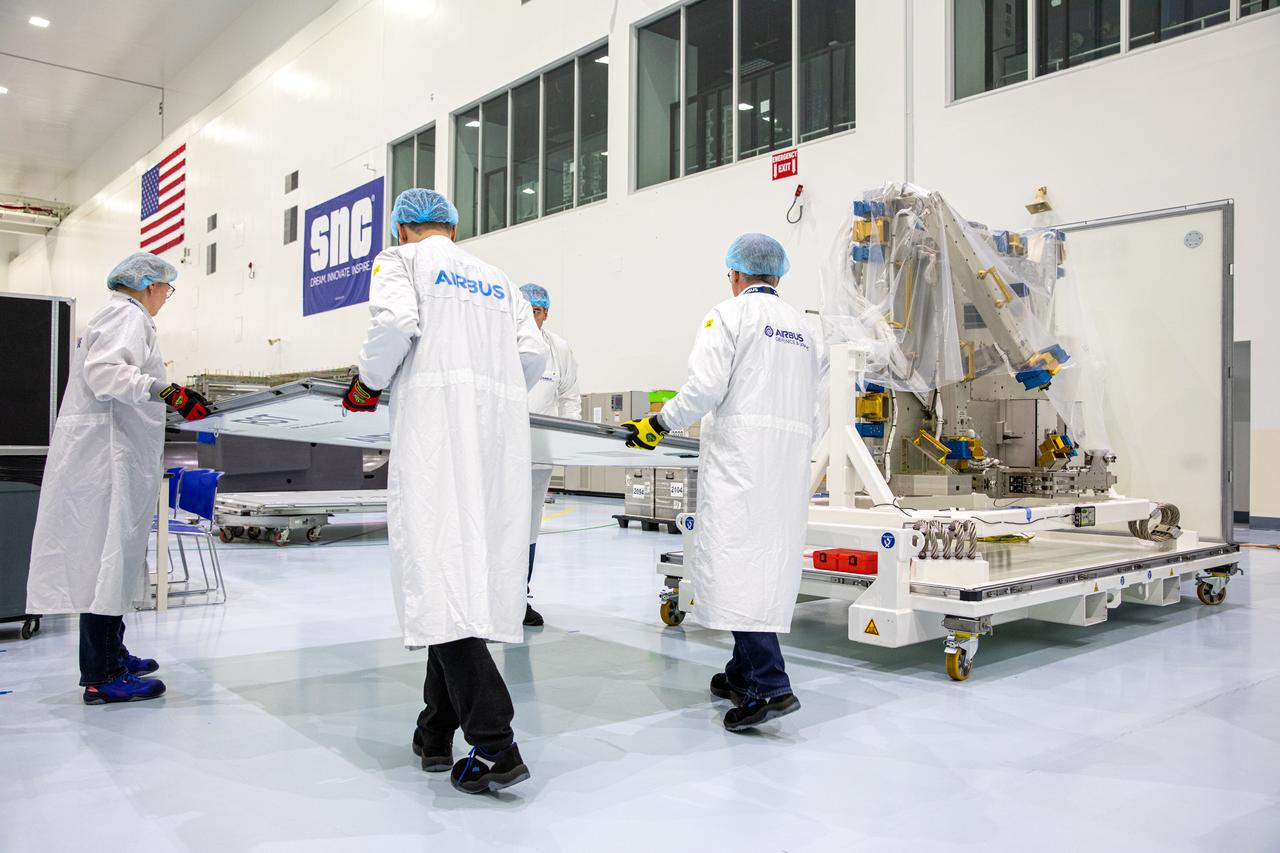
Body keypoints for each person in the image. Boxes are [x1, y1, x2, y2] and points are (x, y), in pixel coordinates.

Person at [342, 188, 548, 794]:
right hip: (497, 438)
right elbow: (531, 355)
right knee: (460, 576)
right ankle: (434, 732)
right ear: (452, 227)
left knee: (437, 575)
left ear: (404, 228)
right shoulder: (496, 277)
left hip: (436, 432)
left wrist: (367, 384)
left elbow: (396, 325)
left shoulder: (400, 262)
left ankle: (496, 745)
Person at [622, 233, 825, 733]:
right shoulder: (805, 328)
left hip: (742, 462)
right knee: (765, 565)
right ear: (777, 275)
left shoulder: (728, 315)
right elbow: (816, 408)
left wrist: (658, 425)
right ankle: (740, 671)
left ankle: (769, 686)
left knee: (738, 565)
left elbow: (705, 387)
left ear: (735, 274)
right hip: (787, 464)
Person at [26, 252, 211, 705]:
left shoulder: (125, 318)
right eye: (167, 289)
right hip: (107, 460)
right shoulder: (125, 315)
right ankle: (102, 675)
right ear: (148, 285)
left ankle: (113, 652)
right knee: (106, 560)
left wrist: (164, 396)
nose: (166, 297)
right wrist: (166, 391)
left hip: (115, 456)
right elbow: (107, 373)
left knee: (115, 559)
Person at [519, 283, 581, 628]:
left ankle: (519, 597)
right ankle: (487, 598)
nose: (531, 317)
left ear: (546, 313)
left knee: (529, 525)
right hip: (499, 452)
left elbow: (570, 396)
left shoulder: (558, 349)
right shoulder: (499, 344)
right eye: (525, 310)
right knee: (493, 523)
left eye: (538, 311)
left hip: (539, 456)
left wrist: (570, 439)